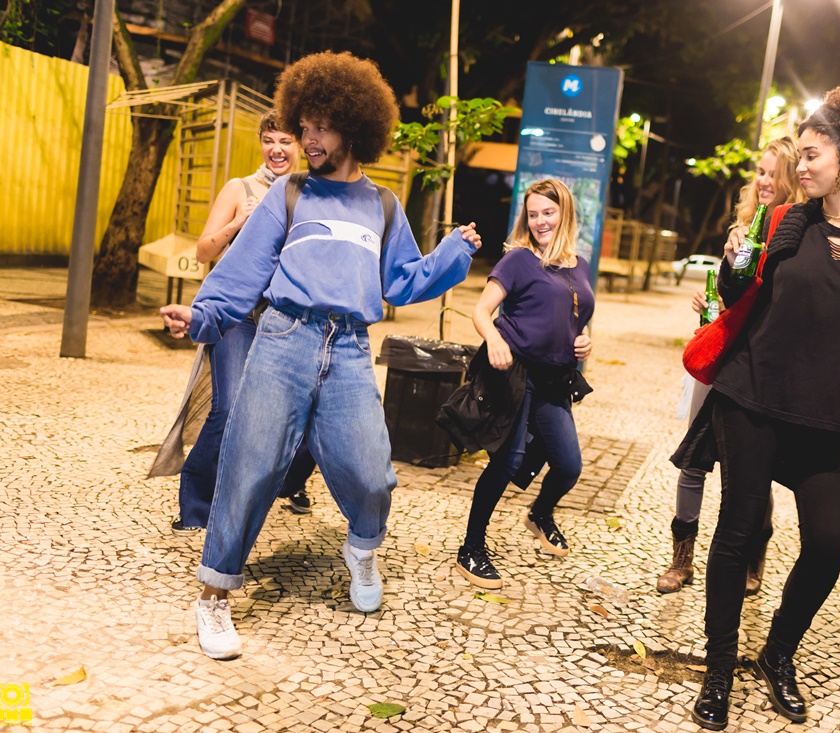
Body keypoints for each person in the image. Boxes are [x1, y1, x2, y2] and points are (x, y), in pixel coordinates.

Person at [159, 51, 482, 660]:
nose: (308, 139)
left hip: (351, 349)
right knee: (249, 467)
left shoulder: (383, 206)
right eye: (303, 125)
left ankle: (362, 550)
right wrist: (200, 315)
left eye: (322, 127)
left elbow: (402, 282)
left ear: (354, 129)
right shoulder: (287, 194)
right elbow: (241, 273)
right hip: (283, 340)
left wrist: (452, 253)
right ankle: (214, 596)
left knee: (372, 474)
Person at [674, 83, 840, 730]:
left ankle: (777, 652)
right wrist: (732, 267)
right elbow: (743, 291)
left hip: (832, 415)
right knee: (738, 530)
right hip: (752, 397)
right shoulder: (789, 221)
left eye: (813, 155)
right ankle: (718, 669)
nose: (802, 166)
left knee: (828, 543)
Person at [154, 112, 317, 536]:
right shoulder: (239, 188)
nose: (276, 149)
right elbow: (203, 252)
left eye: (285, 140)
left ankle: (288, 483)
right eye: (269, 140)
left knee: (306, 413)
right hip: (237, 314)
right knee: (227, 408)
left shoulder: (311, 192)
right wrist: (238, 221)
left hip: (287, 316)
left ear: (300, 144)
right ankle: (196, 505)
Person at [657, 137, 806, 596]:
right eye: (760, 172)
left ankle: (752, 560)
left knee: (755, 467)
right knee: (693, 457)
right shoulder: (741, 229)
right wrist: (715, 294)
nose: (764, 181)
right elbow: (731, 296)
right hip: (720, 354)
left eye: (775, 174)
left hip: (759, 365)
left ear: (793, 181)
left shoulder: (800, 236)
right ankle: (682, 559)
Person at [454, 179, 594, 590]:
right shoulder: (518, 260)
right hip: (517, 374)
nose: (540, 221)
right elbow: (481, 311)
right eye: (533, 214)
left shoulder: (580, 265)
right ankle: (471, 547)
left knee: (568, 466)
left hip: (556, 379)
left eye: (548, 212)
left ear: (565, 214)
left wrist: (585, 340)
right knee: (508, 459)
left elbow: (575, 317)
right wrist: (494, 340)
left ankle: (540, 513)